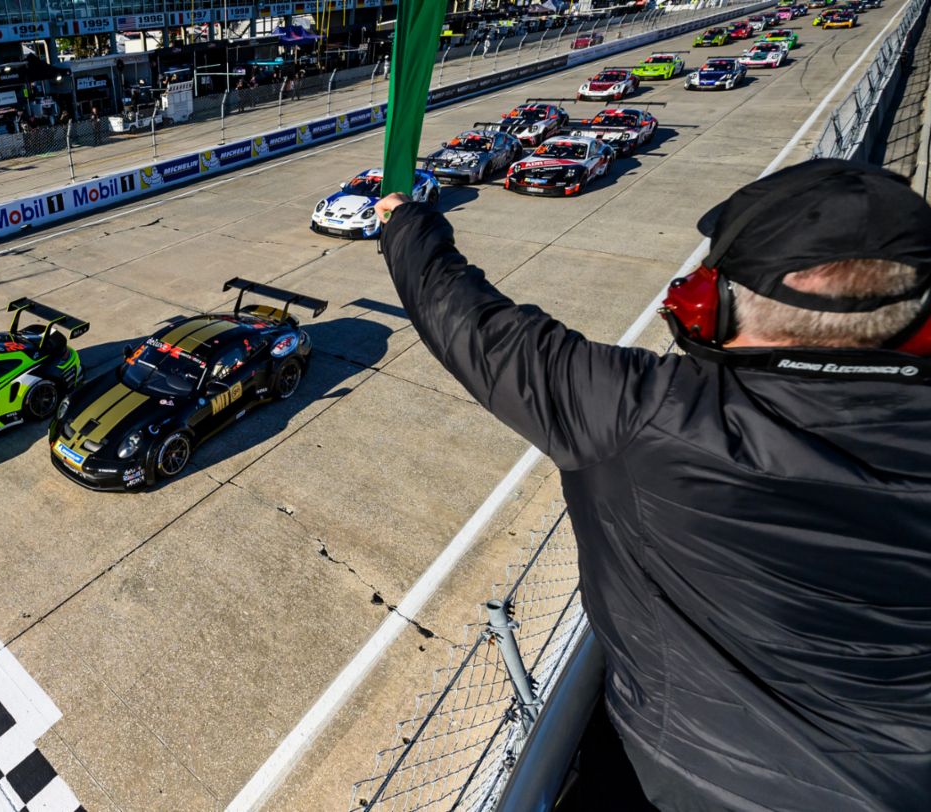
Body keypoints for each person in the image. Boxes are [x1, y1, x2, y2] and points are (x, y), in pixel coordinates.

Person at [375, 159, 931, 811]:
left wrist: (406, 224)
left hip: (697, 784)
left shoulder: (647, 415)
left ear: (715, 307)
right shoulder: (643, 410)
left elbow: (469, 326)